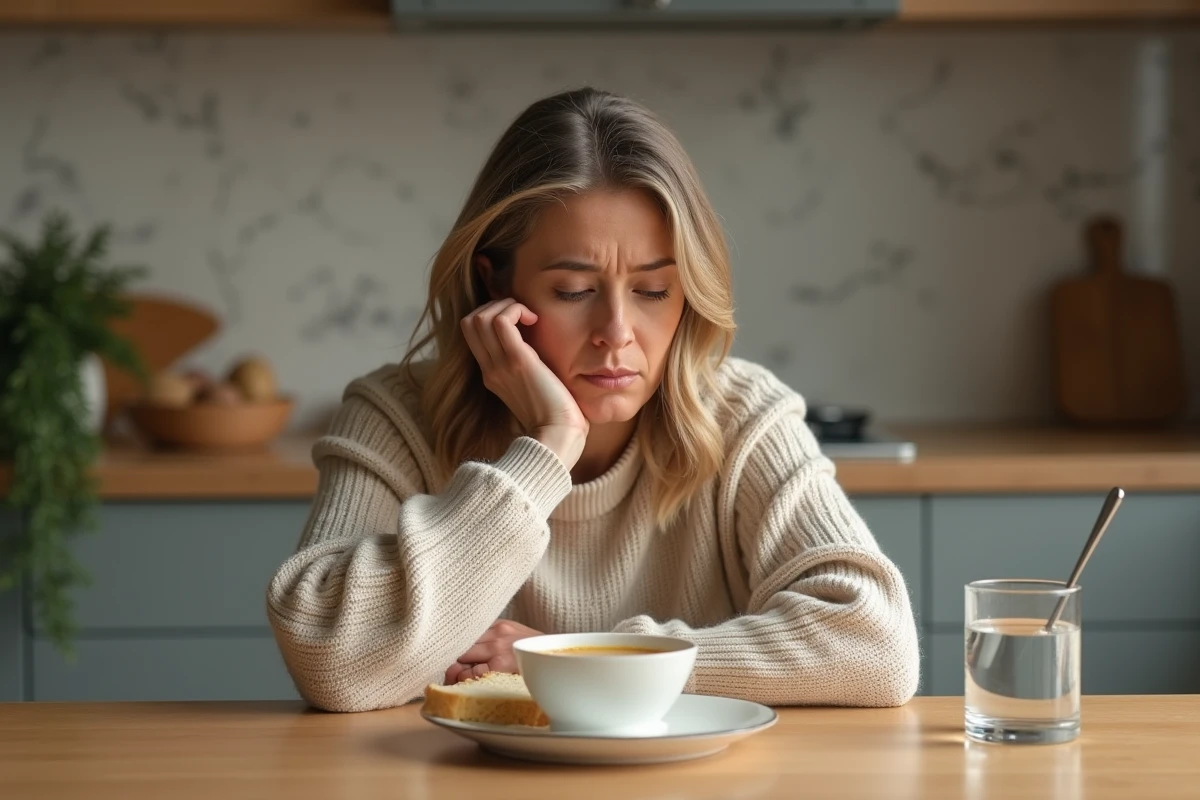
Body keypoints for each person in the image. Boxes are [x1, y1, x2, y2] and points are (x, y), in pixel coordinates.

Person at [266, 87, 920, 713]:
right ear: (495, 282)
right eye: (575, 290)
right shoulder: (395, 414)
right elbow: (334, 661)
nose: (616, 333)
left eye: (653, 291)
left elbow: (875, 644)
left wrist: (565, 658)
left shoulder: (743, 414)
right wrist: (546, 449)